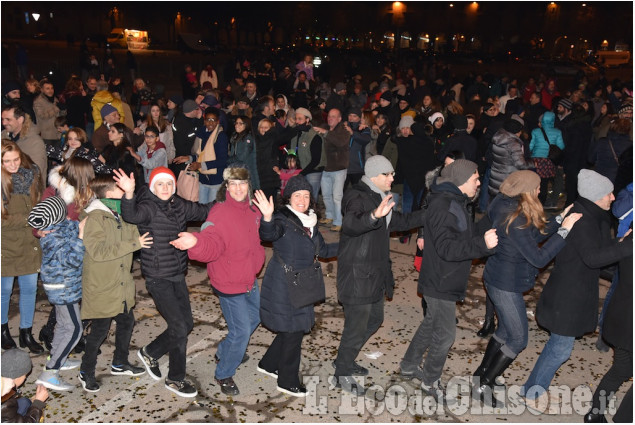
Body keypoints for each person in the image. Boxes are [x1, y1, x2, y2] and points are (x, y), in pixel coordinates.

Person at [521, 170, 632, 408]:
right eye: (609, 194)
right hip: (568, 296)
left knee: (557, 346)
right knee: (560, 349)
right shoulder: (584, 221)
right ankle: (532, 391)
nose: (613, 198)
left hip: (574, 291)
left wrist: (619, 244)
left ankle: (531, 388)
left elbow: (598, 252)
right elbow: (593, 258)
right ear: (596, 196)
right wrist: (626, 247)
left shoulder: (592, 215)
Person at [471, 171, 581, 407]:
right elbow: (539, 258)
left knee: (504, 332)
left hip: (497, 277)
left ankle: (481, 375)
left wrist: (559, 219)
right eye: (538, 187)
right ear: (528, 191)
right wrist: (564, 231)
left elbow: (535, 232)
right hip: (505, 284)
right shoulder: (515, 218)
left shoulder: (506, 203)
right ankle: (483, 384)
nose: (540, 191)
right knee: (518, 339)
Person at [399, 159, 498, 402]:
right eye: (476, 178)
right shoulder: (446, 205)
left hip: (443, 276)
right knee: (445, 336)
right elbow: (446, 248)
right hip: (440, 279)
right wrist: (481, 245)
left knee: (431, 323)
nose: (479, 182)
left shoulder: (456, 201)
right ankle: (430, 382)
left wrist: (493, 219)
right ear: (463, 180)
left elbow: (464, 233)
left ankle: (408, 366)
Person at [332, 155, 427, 396]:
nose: (393, 178)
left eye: (393, 174)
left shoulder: (378, 196)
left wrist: (428, 214)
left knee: (374, 319)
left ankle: (346, 356)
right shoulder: (357, 195)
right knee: (356, 326)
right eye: (388, 174)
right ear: (375, 176)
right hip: (357, 273)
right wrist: (374, 215)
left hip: (374, 271)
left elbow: (399, 221)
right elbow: (352, 224)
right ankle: (341, 373)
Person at [170, 164, 265, 396]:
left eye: (242, 183)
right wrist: (196, 242)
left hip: (249, 278)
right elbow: (211, 243)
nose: (238, 188)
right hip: (228, 281)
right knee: (241, 330)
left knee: (257, 316)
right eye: (233, 184)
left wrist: (270, 216)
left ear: (248, 186)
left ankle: (226, 350)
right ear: (227, 187)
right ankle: (224, 373)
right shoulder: (219, 213)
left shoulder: (254, 211)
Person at [116, 167, 211, 398]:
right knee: (179, 326)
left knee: (185, 324)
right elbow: (132, 215)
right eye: (160, 184)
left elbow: (202, 211)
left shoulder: (178, 203)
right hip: (158, 277)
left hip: (177, 273)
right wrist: (129, 194)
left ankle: (151, 352)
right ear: (152, 187)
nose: (166, 188)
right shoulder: (148, 206)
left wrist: (229, 201)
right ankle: (175, 379)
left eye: (169, 183)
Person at [252, 175, 338, 397]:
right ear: (289, 197)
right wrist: (268, 217)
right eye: (297, 195)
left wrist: (350, 245)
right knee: (294, 330)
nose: (302, 200)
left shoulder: (310, 221)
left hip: (301, 282)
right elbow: (268, 234)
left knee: (293, 327)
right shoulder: (282, 219)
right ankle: (287, 380)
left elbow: (324, 251)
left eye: (306, 195)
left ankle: (268, 364)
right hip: (283, 282)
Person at [78, 174, 153, 393]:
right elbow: (99, 252)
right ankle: (86, 371)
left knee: (126, 322)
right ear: (110, 193)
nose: (126, 191)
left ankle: (119, 363)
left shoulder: (120, 214)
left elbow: (136, 234)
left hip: (121, 284)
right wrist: (133, 243)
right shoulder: (95, 218)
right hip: (102, 286)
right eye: (122, 188)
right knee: (99, 332)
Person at [27, 197, 85, 392]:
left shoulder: (58, 228)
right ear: (59, 215)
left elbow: (69, 229)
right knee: (75, 329)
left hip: (63, 285)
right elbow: (73, 260)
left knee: (62, 325)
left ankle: (57, 357)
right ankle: (50, 373)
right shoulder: (53, 237)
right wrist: (81, 238)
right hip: (63, 287)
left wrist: (76, 225)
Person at [584, 231, 633, 423]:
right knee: (621, 370)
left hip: (622, 319)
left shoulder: (630, 239)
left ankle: (594, 413)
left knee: (620, 370)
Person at [1, 140, 44, 354]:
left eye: (16, 159)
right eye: (6, 161)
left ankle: (26, 333)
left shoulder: (30, 175)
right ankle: (3, 332)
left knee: (30, 289)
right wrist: (30, 218)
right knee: (4, 291)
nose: (12, 165)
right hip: (6, 244)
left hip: (29, 241)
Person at [173, 108, 228, 204]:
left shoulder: (221, 136)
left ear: (218, 121)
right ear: (204, 120)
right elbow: (200, 155)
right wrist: (189, 158)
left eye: (213, 120)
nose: (210, 123)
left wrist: (200, 165)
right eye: (208, 119)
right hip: (202, 179)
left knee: (211, 210)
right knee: (202, 209)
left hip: (216, 180)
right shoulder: (201, 133)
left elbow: (222, 161)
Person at [315, 108, 350, 232]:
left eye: (334, 116)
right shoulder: (324, 128)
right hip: (325, 168)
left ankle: (338, 221)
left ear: (339, 119)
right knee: (326, 196)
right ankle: (330, 216)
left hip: (339, 168)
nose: (330, 118)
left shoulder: (344, 130)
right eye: (329, 116)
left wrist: (326, 133)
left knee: (337, 197)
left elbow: (340, 142)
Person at [1, 105, 48, 187]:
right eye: (2, 119)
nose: (3, 123)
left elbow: (35, 172)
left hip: (28, 193)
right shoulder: (3, 136)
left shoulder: (34, 142)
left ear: (20, 120)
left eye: (8, 119)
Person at [1, 348, 48, 422]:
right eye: (25, 375)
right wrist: (38, 403)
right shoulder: (5, 405)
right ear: (17, 377)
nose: (25, 377)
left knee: (25, 402)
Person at [529, 111, 565, 205]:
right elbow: (561, 146)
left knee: (534, 182)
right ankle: (541, 203)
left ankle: (531, 201)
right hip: (548, 160)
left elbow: (530, 146)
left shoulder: (535, 131)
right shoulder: (557, 132)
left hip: (536, 160)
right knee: (544, 184)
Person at [288, 107, 324, 201]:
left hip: (312, 172)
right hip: (299, 170)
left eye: (300, 119)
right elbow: (292, 150)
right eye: (296, 119)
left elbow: (316, 160)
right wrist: (290, 160)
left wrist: (301, 173)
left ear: (307, 120)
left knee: (311, 199)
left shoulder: (314, 136)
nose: (297, 121)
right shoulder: (295, 133)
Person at [46, 127, 110, 174]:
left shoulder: (85, 155)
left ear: (82, 139)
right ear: (67, 141)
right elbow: (47, 149)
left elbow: (106, 170)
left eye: (76, 139)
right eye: (70, 139)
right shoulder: (64, 151)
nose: (73, 141)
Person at [228, 115, 260, 190]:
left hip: (246, 172)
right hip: (238, 171)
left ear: (246, 125)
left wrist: (227, 160)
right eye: (236, 123)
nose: (237, 125)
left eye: (240, 123)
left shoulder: (247, 138)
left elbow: (242, 157)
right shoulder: (235, 136)